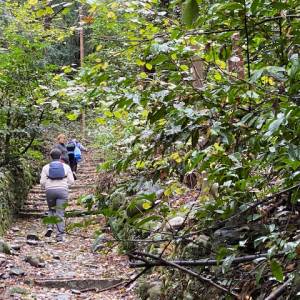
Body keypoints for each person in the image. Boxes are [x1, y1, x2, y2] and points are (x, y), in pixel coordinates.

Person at [40, 148, 74, 242]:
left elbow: (42, 182)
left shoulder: (46, 167)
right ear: (60, 157)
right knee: (60, 212)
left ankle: (50, 227)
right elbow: (71, 181)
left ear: (50, 157)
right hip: (62, 190)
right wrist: (66, 185)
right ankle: (60, 236)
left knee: (51, 209)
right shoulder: (66, 167)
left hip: (50, 191)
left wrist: (46, 186)